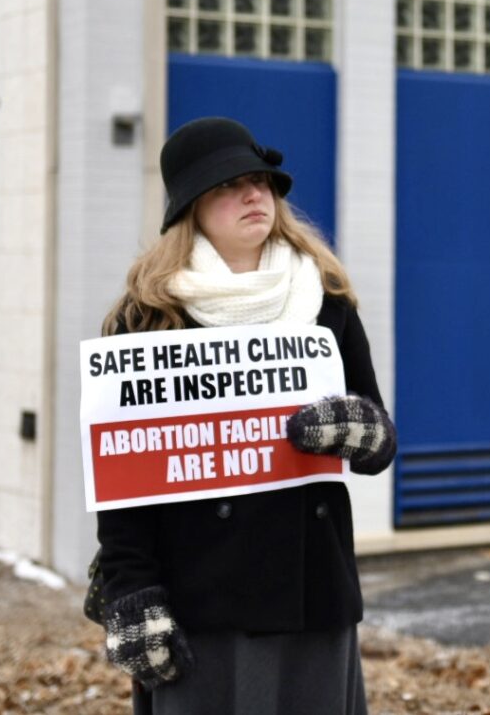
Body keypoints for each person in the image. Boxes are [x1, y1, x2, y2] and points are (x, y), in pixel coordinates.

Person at [94, 117, 396, 715]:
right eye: (227, 185)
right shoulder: (149, 317)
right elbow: (124, 481)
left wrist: (357, 428)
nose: (254, 195)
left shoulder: (326, 299)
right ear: (191, 209)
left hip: (310, 599)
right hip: (199, 606)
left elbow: (379, 441)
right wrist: (130, 593)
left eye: (260, 181)